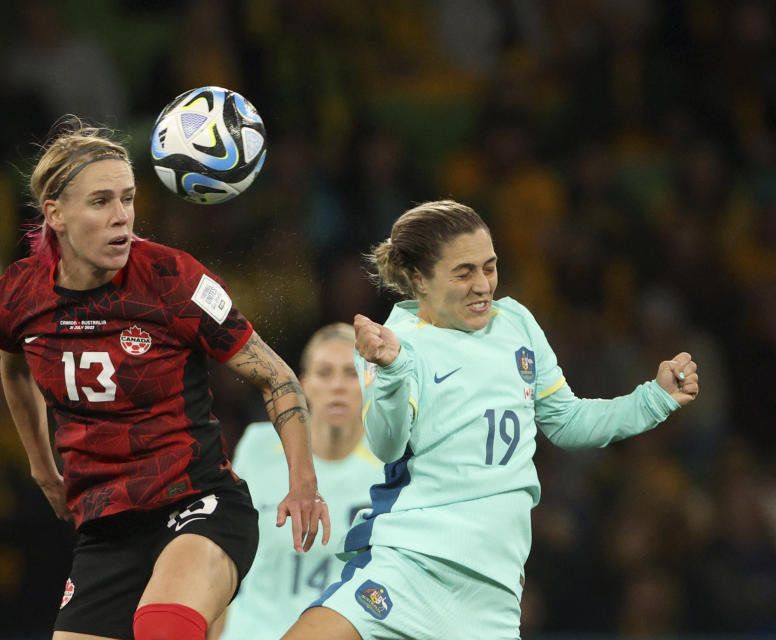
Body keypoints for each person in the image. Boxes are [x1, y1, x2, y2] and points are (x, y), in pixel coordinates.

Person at [281, 200, 700, 640]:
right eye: (464, 273)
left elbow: (568, 420)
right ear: (419, 278)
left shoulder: (517, 324)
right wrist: (392, 371)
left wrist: (654, 400)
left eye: (490, 267)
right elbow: (386, 445)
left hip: (492, 591)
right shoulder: (392, 344)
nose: (483, 285)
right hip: (409, 563)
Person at [0, 118, 330, 640]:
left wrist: (302, 482)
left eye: (128, 198)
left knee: (163, 628)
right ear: (55, 214)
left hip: (199, 505)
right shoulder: (20, 296)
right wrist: (41, 465)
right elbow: (12, 364)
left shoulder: (172, 279)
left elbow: (277, 378)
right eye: (101, 202)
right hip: (107, 529)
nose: (122, 218)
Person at [211, 323, 384, 640]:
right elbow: (223, 549)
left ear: (368, 382)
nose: (337, 386)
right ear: (303, 385)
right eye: (324, 372)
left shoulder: (389, 465)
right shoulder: (258, 447)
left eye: (350, 373)